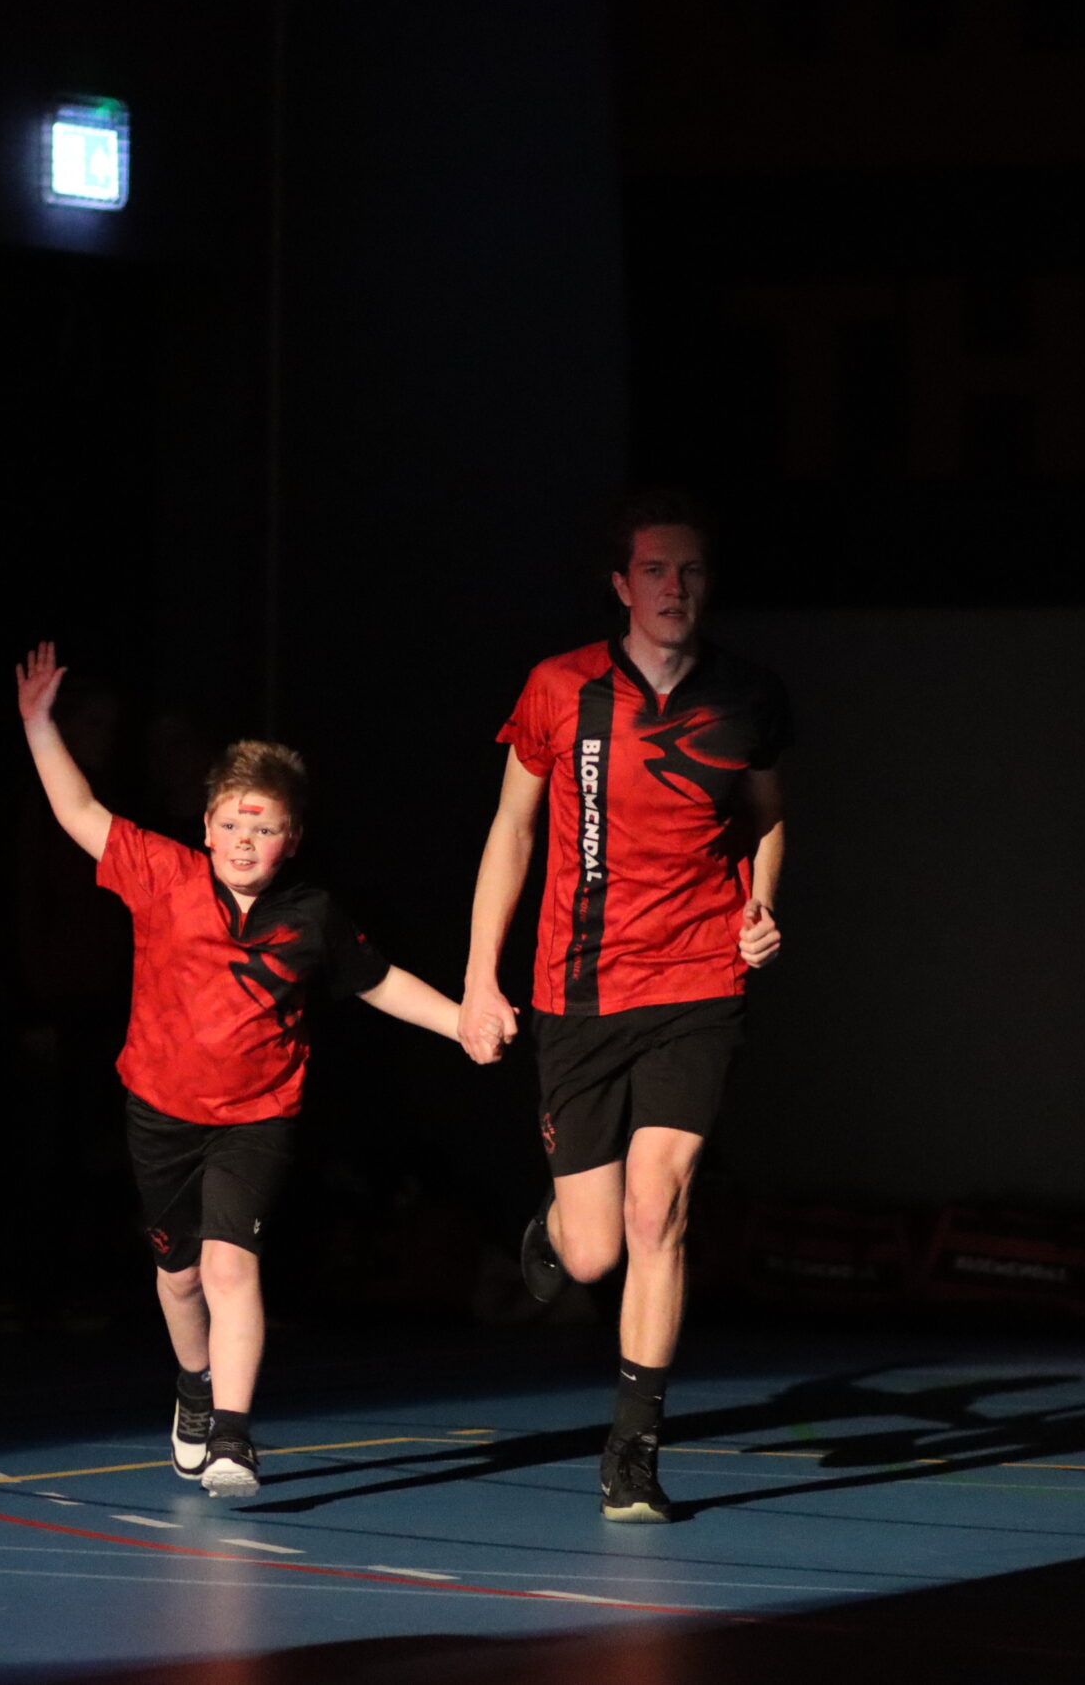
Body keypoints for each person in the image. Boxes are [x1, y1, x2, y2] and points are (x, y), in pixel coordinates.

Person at [16, 641, 467, 1496]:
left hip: (256, 1118)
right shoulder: (163, 874)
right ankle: (194, 1387)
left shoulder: (312, 915)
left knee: (230, 1267)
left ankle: (232, 1434)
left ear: (290, 840)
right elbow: (78, 810)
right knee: (180, 1275)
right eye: (230, 824)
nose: (243, 841)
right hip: (160, 1110)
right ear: (206, 825)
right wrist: (40, 724)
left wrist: (460, 1022)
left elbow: (378, 981)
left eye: (262, 829)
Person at [458, 492, 789, 1523]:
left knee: (661, 1207)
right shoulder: (560, 688)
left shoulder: (747, 695)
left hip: (698, 980)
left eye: (689, 571)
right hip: (581, 988)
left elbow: (767, 817)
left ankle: (633, 1450)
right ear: (621, 585)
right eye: (654, 570)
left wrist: (761, 907)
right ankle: (556, 1224)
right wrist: (479, 976)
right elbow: (513, 830)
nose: (673, 588)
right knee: (596, 1250)